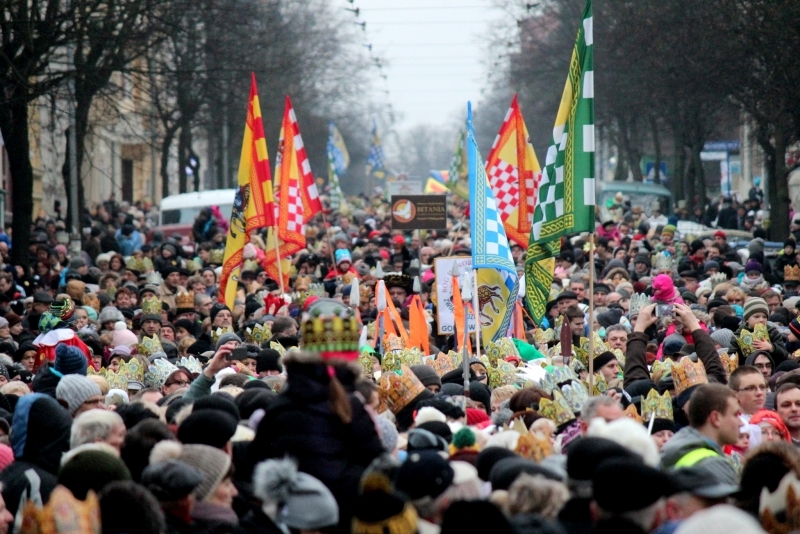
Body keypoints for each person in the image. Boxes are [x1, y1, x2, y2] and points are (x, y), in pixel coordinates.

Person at [661, 384, 739, 483]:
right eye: (735, 415)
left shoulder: (674, 450)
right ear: (715, 418)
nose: (740, 423)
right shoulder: (715, 468)